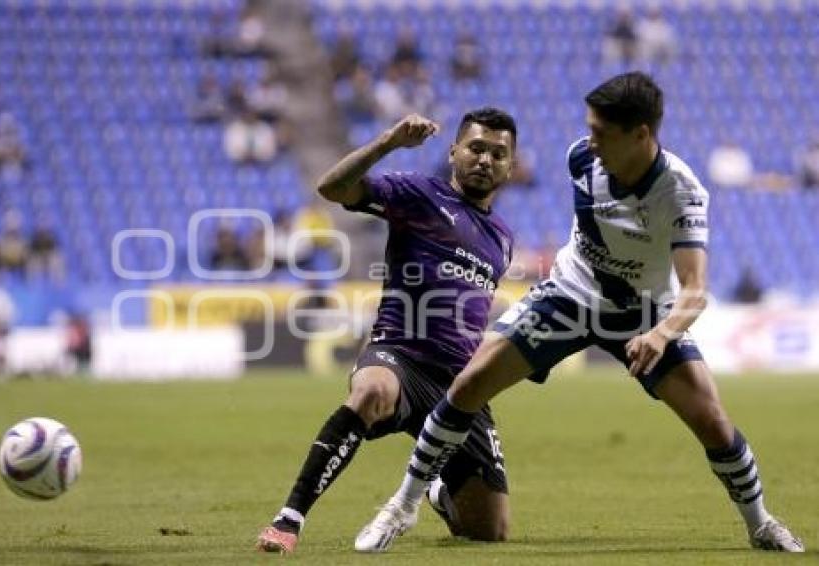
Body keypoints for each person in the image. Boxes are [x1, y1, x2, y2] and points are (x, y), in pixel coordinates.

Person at [357, 73, 804, 553]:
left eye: (602, 132)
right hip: (568, 297)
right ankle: (402, 505)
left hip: (641, 312)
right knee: (468, 385)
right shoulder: (581, 159)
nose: (590, 140)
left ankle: (761, 524)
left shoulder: (681, 192)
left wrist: (660, 334)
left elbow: (695, 291)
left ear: (640, 135)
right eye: (589, 128)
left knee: (712, 420)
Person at [255, 108, 517, 554]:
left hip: (459, 383)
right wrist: (387, 143)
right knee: (371, 392)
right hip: (400, 354)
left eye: (498, 153)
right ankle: (289, 518)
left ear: (510, 165)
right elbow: (331, 188)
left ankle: (435, 489)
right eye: (476, 148)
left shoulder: (503, 238)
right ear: (454, 151)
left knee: (490, 529)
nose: (485, 160)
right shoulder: (419, 194)